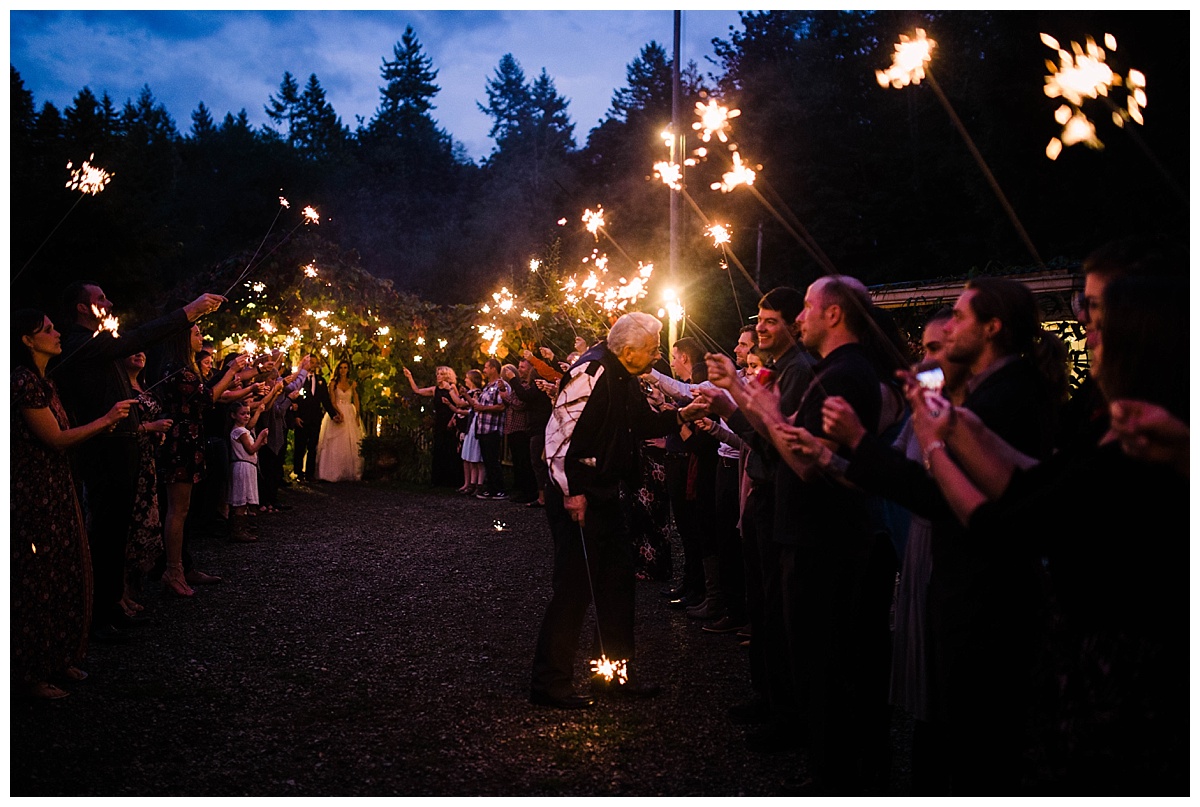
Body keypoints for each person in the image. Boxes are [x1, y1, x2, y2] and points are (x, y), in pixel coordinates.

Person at [904, 272, 1187, 792]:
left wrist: (935, 446)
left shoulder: (1137, 424)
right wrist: (959, 427)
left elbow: (1006, 524)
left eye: (1095, 309)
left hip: (1116, 659)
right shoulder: (1110, 417)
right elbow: (1034, 483)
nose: (1083, 321)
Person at [530, 312, 696, 709]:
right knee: (573, 588)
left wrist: (684, 416)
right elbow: (557, 439)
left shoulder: (624, 376)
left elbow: (640, 422)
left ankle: (614, 675)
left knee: (617, 587)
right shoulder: (590, 372)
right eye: (653, 348)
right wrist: (570, 493)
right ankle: (550, 683)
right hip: (578, 495)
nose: (658, 355)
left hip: (606, 493)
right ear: (627, 349)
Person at [48, 282, 225, 641]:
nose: (109, 302)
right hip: (104, 450)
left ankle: (113, 606)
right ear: (82, 308)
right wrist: (188, 312)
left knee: (117, 532)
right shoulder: (81, 344)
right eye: (100, 299)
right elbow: (138, 338)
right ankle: (98, 615)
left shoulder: (98, 344)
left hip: (124, 447)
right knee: (106, 532)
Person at [12, 309, 134, 699]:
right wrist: (107, 418)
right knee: (37, 579)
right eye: (46, 329)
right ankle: (30, 672)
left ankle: (59, 656)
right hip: (33, 494)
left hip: (57, 486)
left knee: (64, 569)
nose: (56, 331)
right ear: (27, 340)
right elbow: (56, 439)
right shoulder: (23, 384)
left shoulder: (46, 383)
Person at [158, 326, 250, 596]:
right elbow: (208, 398)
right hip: (180, 440)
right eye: (196, 333)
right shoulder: (177, 369)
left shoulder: (187, 368)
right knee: (178, 509)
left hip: (190, 439)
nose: (202, 338)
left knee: (185, 508)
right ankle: (173, 569)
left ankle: (184, 565)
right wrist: (231, 371)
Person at [121, 351, 173, 614]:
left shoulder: (146, 384)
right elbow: (120, 427)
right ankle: (117, 593)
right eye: (133, 349)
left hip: (147, 460)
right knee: (126, 523)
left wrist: (157, 433)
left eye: (143, 349)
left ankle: (130, 588)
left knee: (144, 521)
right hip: (127, 460)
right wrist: (151, 428)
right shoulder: (119, 387)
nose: (140, 353)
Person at [403, 364, 463, 488]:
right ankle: (438, 480)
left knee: (450, 449)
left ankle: (452, 480)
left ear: (447, 376)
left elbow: (458, 404)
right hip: (439, 422)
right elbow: (417, 391)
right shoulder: (435, 389)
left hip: (450, 421)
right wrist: (410, 377)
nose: (438, 376)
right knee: (439, 448)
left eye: (441, 374)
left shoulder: (452, 387)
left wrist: (453, 420)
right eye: (438, 374)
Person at [227, 401, 270, 541]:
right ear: (233, 415)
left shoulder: (243, 431)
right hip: (242, 466)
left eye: (248, 413)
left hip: (247, 465)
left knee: (244, 499)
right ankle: (238, 531)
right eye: (243, 414)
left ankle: (243, 528)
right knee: (241, 498)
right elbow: (250, 449)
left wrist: (260, 443)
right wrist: (261, 437)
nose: (246, 416)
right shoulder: (240, 431)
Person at [292, 355, 339, 481]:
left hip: (315, 417)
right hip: (301, 417)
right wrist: (295, 416)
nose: (313, 365)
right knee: (300, 445)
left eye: (315, 363)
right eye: (311, 362)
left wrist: (333, 414)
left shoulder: (320, 380)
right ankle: (298, 472)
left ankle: (310, 473)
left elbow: (325, 400)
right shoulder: (299, 380)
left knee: (313, 446)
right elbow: (293, 398)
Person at [316, 359, 364, 482]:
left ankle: (350, 471)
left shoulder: (352, 383)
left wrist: (357, 415)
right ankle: (332, 471)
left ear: (348, 370)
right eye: (341, 368)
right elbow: (332, 400)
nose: (343, 370)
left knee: (351, 441)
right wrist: (338, 412)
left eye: (345, 368)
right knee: (334, 442)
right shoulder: (333, 383)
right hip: (337, 410)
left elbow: (356, 400)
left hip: (349, 410)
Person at [472, 358, 509, 500]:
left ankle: (500, 489)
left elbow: (501, 406)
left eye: (486, 367)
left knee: (493, 460)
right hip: (483, 428)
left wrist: (483, 408)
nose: (484, 370)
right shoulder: (487, 386)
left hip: (493, 428)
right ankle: (491, 488)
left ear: (494, 368)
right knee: (487, 460)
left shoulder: (501, 385)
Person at [457, 369, 485, 494]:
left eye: (467, 378)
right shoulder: (471, 393)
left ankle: (477, 484)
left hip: (476, 427)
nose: (465, 380)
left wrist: (452, 391)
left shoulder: (477, 393)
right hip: (470, 427)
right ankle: (469, 483)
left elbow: (469, 406)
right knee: (468, 457)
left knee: (476, 458)